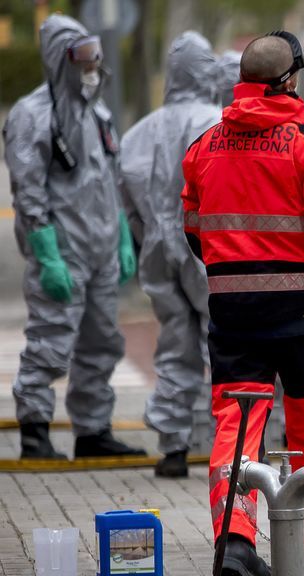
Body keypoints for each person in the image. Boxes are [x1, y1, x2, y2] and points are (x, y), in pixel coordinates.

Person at [182, 32, 304, 575]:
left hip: (234, 316)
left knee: (237, 429)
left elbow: (194, 232)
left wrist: (237, 271)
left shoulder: (203, 148)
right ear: (290, 80)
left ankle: (237, 548)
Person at [3, 14, 143, 461]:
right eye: (82, 57)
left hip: (101, 249)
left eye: (95, 56)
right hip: (62, 250)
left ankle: (92, 429)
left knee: (102, 342)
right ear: (58, 58)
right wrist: (46, 252)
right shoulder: (32, 115)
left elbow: (110, 180)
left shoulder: (97, 112)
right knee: (50, 339)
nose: (91, 65)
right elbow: (27, 189)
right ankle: (34, 428)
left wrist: (123, 237)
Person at [121, 31, 222, 478]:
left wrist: (145, 237)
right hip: (205, 248)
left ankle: (173, 447)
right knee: (222, 344)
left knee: (175, 344)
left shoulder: (141, 131)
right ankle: (233, 445)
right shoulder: (218, 123)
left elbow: (126, 199)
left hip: (158, 249)